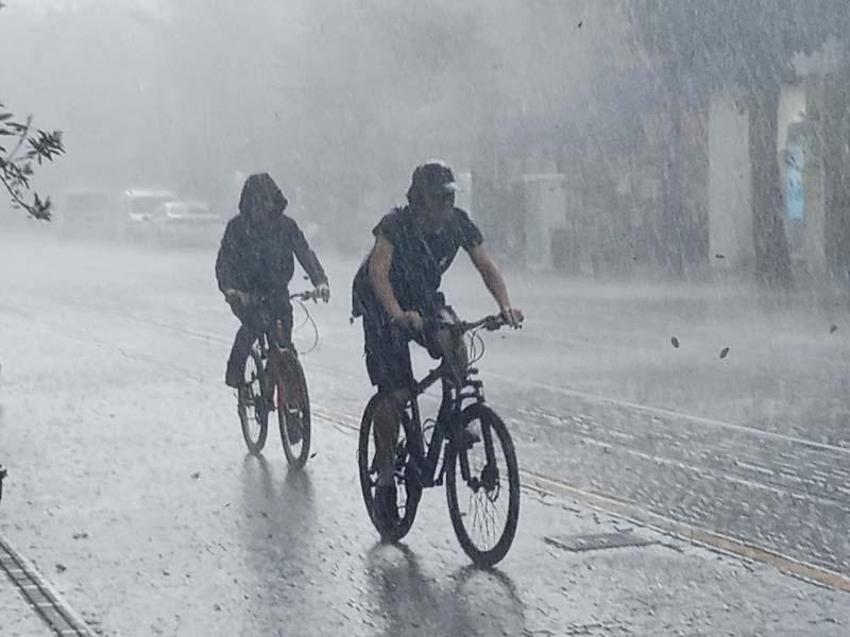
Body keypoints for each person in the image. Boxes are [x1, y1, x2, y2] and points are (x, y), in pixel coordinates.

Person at [351, 161, 523, 530]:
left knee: (454, 340)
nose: (443, 208)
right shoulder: (395, 226)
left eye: (449, 199)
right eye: (436, 200)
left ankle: (455, 418)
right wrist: (397, 314)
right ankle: (384, 479)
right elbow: (378, 273)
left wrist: (504, 306)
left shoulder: (458, 223)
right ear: (418, 200)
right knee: (395, 394)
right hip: (380, 303)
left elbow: (486, 265)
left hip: (423, 296)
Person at [216, 173, 329, 398]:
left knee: (283, 341)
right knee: (253, 327)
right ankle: (236, 375)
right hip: (245, 294)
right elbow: (224, 262)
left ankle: (287, 396)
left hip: (277, 292)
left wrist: (320, 281)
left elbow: (304, 253)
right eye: (258, 202)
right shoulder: (237, 228)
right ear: (249, 203)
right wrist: (230, 290)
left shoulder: (286, 226)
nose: (263, 207)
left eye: (267, 201)